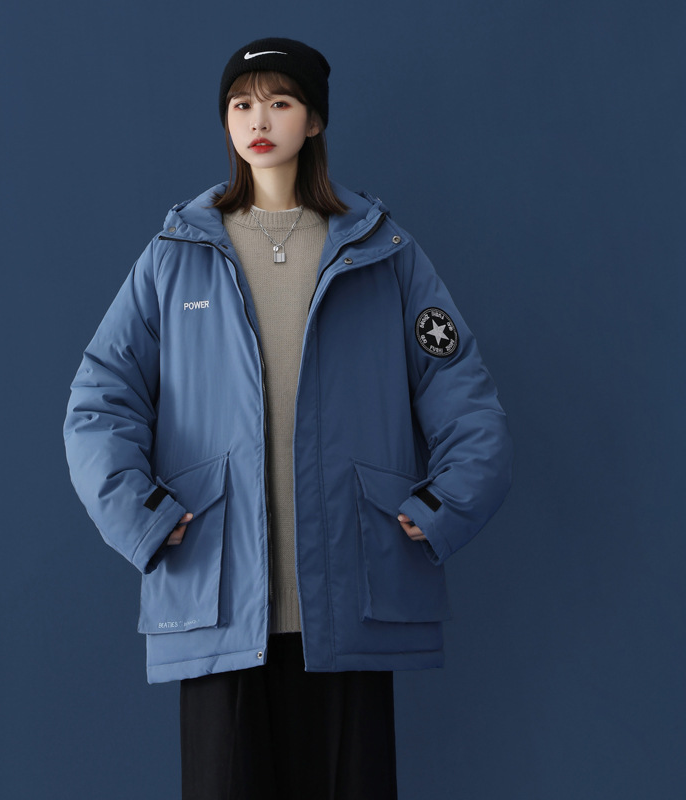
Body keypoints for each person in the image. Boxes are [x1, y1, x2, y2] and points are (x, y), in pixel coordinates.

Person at [64, 37, 512, 800]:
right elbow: (98, 399)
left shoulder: (383, 252)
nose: (258, 120)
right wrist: (140, 515)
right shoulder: (176, 254)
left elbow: (463, 390)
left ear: (315, 120)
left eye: (280, 102)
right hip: (215, 598)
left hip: (351, 600)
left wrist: (445, 503)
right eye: (242, 104)